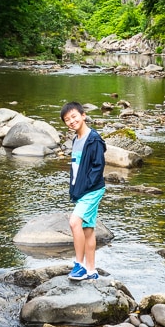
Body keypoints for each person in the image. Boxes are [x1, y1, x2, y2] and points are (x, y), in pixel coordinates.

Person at [60, 101, 106, 281]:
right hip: (82, 190)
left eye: (74, 117)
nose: (71, 121)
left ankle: (79, 266)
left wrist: (85, 187)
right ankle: (91, 270)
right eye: (67, 120)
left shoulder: (93, 139)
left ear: (83, 115)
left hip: (92, 189)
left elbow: (98, 167)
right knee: (87, 229)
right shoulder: (76, 139)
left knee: (74, 222)